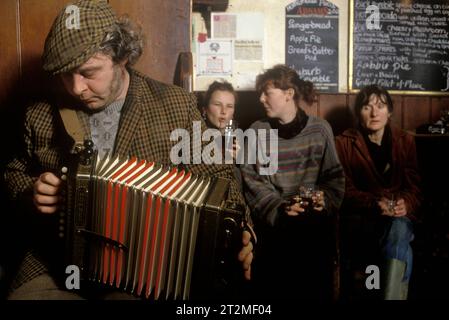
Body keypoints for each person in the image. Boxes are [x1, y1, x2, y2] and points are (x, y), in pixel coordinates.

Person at [3, 0, 253, 300]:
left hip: (146, 270)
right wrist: (30, 191)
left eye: (88, 72)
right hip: (55, 263)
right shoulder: (39, 113)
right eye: (65, 74)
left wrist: (243, 229)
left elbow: (220, 177)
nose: (75, 87)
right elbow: (13, 173)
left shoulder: (175, 106)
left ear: (121, 57)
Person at [240, 64, 345, 300]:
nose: (261, 98)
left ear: (289, 94)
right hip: (275, 225)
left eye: (267, 93)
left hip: (313, 227)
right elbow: (252, 181)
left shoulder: (320, 130)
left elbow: (334, 179)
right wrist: (280, 208)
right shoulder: (257, 131)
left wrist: (322, 200)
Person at [335, 85, 421, 300]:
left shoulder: (405, 140)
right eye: (367, 107)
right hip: (362, 218)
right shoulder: (343, 143)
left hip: (398, 216)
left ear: (389, 111)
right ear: (358, 112)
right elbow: (343, 190)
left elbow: (414, 189)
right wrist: (375, 203)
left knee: (398, 228)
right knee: (402, 245)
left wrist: (406, 204)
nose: (374, 113)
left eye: (381, 106)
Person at [201, 80, 241, 187]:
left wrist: (241, 162)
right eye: (217, 104)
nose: (224, 111)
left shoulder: (237, 136)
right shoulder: (194, 136)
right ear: (205, 110)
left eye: (229, 106)